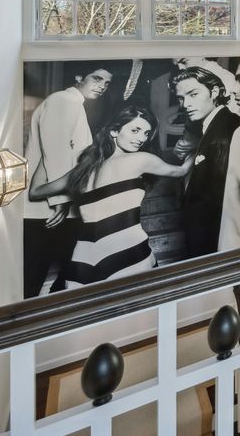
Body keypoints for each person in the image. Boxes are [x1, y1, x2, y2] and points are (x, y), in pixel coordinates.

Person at [30, 106, 193, 287]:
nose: (141, 138)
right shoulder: (140, 159)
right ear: (114, 131)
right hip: (128, 252)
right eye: (135, 130)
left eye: (146, 133)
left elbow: (36, 191)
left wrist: (47, 155)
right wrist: (196, 144)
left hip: (82, 258)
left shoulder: (82, 170)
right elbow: (181, 171)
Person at [22, 64, 113, 298]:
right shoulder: (63, 101)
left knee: (63, 271)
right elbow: (55, 150)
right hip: (47, 210)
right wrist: (60, 201)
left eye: (107, 82)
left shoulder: (73, 104)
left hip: (56, 207)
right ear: (79, 76)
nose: (102, 86)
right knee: (33, 277)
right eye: (97, 78)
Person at [171, 66, 240, 257]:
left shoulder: (225, 130)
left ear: (215, 92)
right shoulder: (213, 124)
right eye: (181, 98)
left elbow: (218, 199)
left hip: (210, 240)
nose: (185, 104)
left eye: (193, 94)